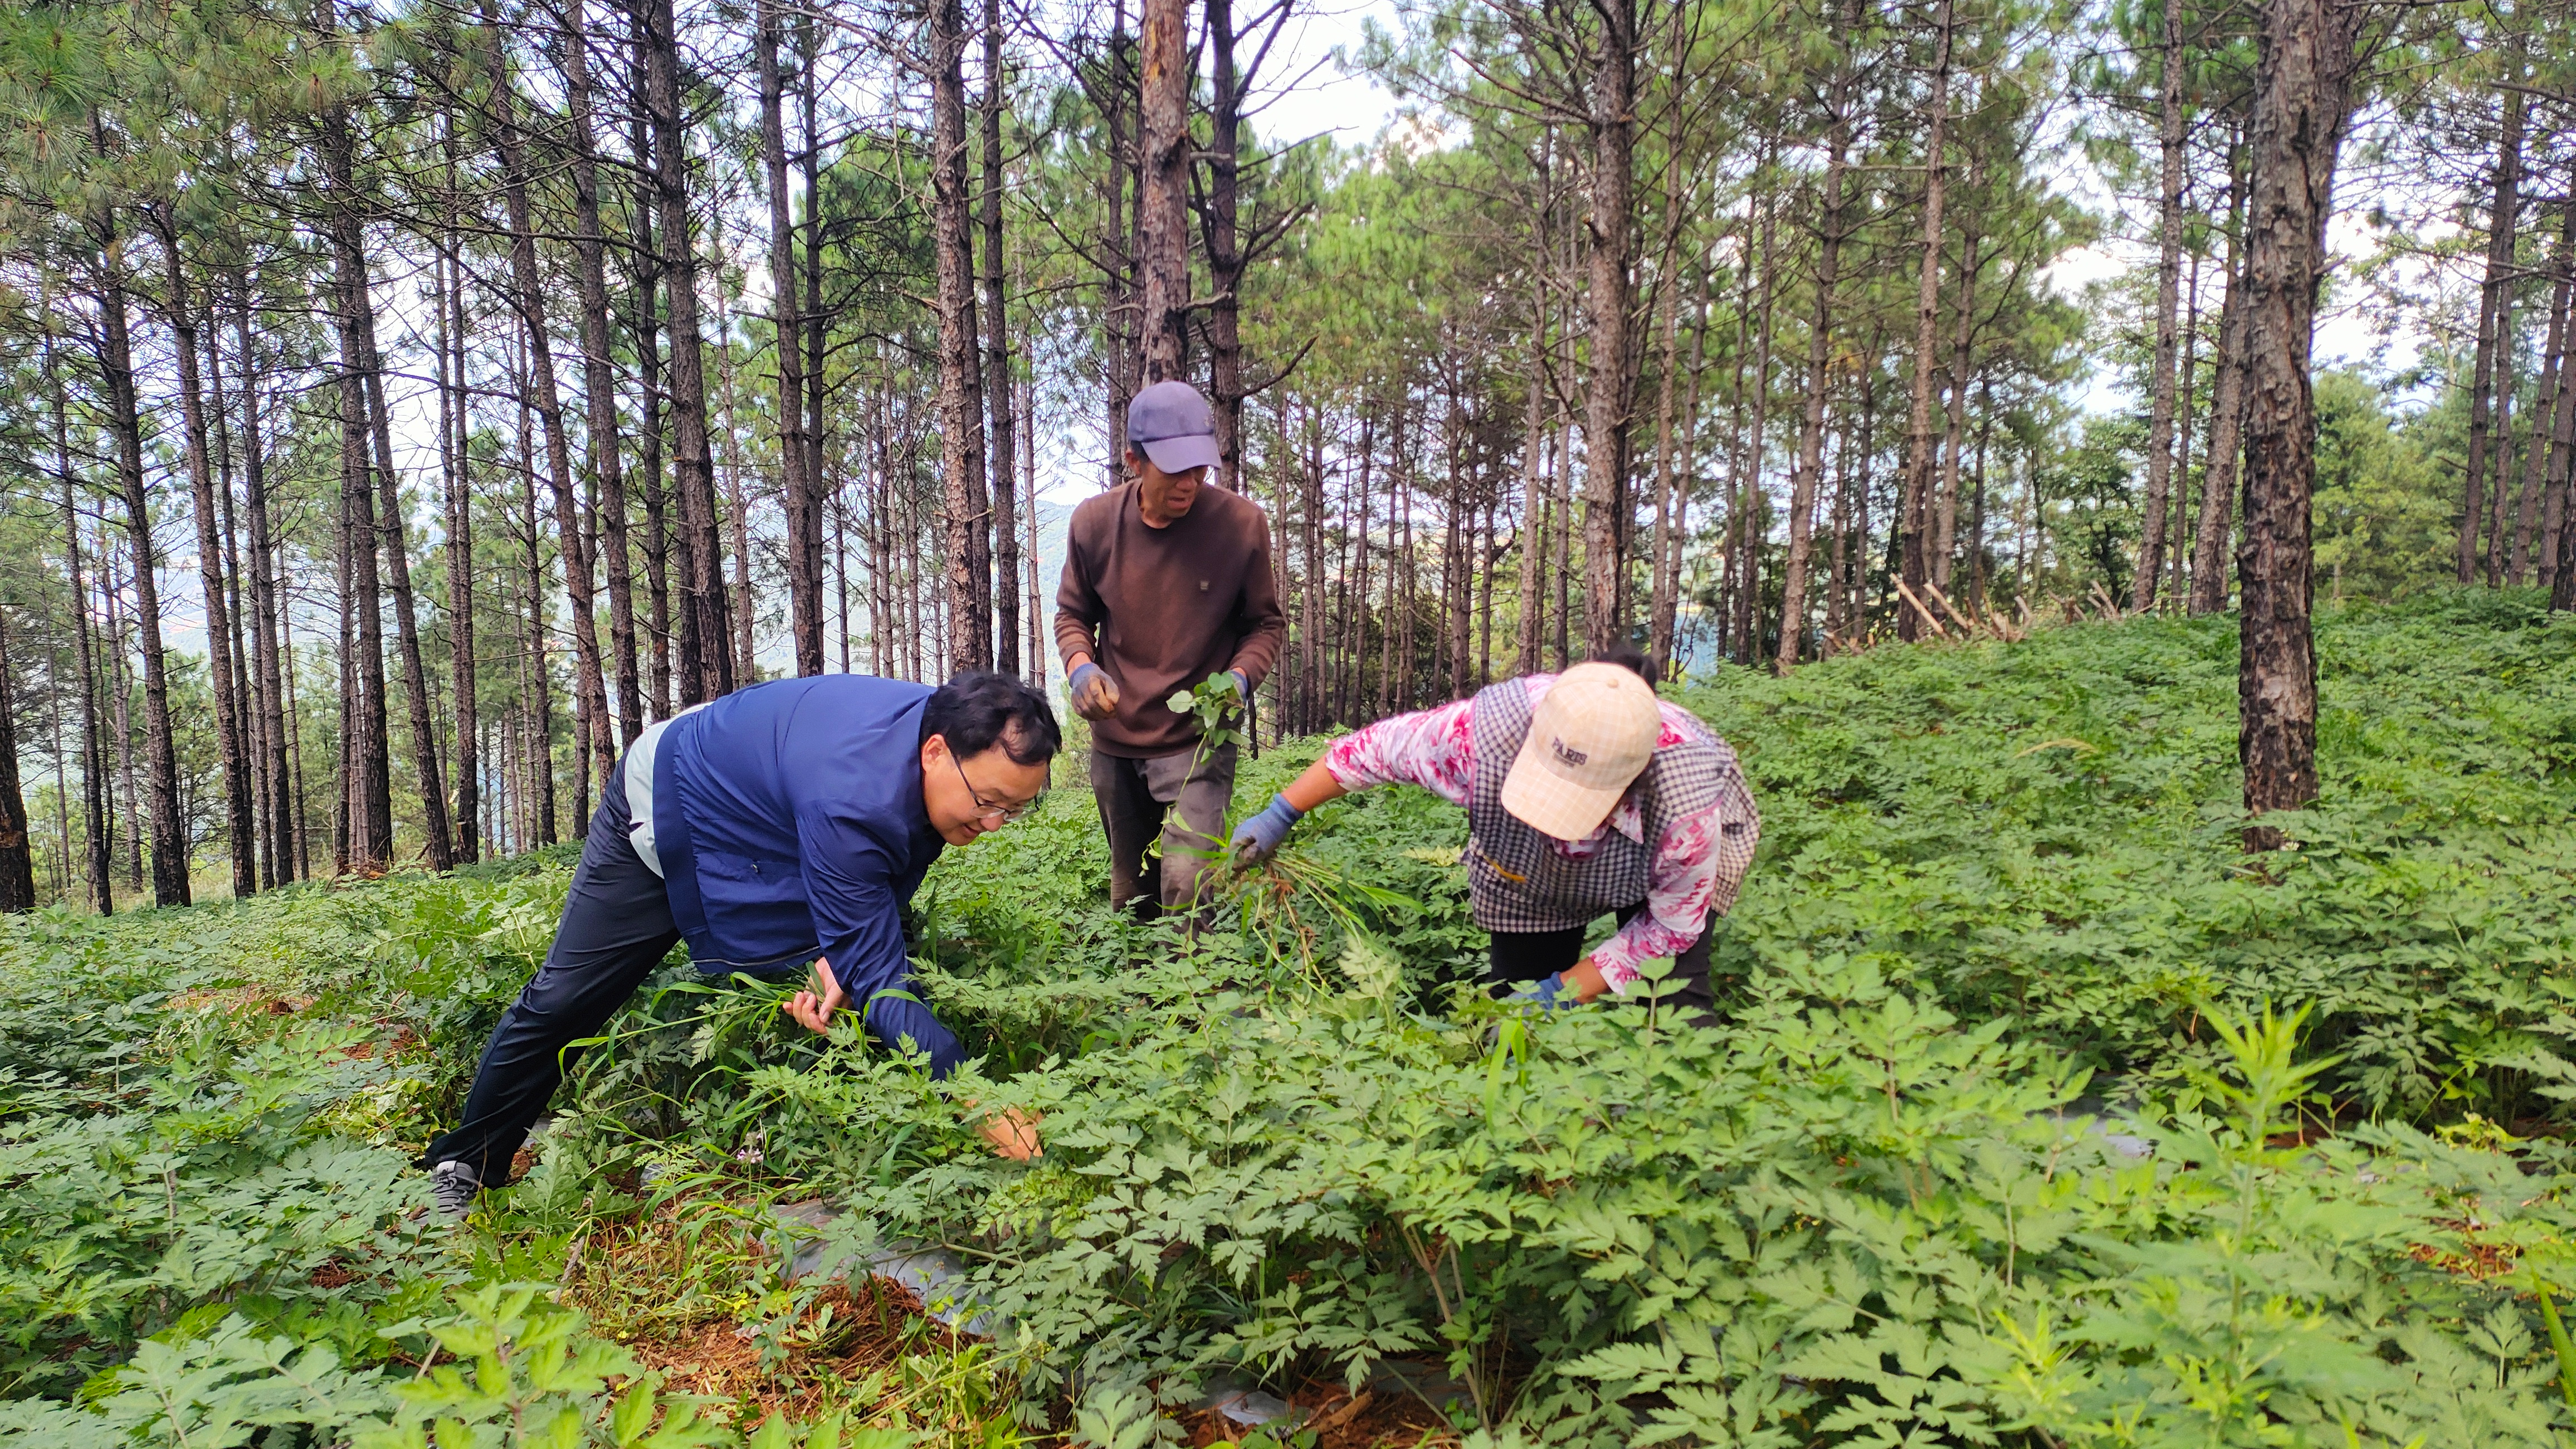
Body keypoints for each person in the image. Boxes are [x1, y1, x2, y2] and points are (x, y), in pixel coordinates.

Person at [419, 671, 1058, 1219]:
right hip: (672, 791)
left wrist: (845, 952)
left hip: (769, 809)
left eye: (1016, 809)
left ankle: (851, 1145)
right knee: (569, 997)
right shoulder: (850, 793)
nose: (996, 823)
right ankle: (464, 1162)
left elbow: (882, 871)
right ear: (935, 752)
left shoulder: (939, 735)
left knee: (851, 975)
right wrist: (974, 1096)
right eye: (989, 802)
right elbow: (873, 937)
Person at [1230, 652, 1760, 1018]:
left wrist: (1566, 990)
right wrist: (1280, 815)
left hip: (1656, 862)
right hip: (1528, 870)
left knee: (1671, 1002)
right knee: (1515, 1007)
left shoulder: (1687, 804)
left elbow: (1666, 930)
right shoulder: (1482, 734)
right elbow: (1371, 751)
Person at [1056, 379, 1287, 922]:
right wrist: (1080, 669)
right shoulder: (1094, 524)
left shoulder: (1241, 526)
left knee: (1188, 885)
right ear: (1135, 461)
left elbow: (1265, 624)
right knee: (1130, 892)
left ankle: (1192, 1004)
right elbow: (1072, 614)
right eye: (1175, 470)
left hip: (1198, 739)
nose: (1190, 484)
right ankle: (1141, 997)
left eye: (1200, 469)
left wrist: (1240, 680)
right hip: (1117, 743)